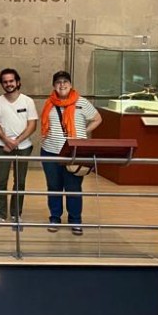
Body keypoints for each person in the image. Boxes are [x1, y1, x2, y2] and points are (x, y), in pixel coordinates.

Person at [40, 71, 102, 235]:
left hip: (74, 152)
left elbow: (97, 118)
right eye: (58, 82)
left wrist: (83, 134)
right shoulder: (49, 104)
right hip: (50, 151)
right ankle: (55, 217)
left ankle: (75, 220)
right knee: (54, 186)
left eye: (65, 81)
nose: (62, 84)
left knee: (73, 187)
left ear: (71, 84)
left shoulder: (82, 102)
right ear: (54, 85)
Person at [0, 68, 38, 224]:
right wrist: (6, 140)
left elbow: (32, 125)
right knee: (1, 181)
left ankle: (16, 213)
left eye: (11, 81)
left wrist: (16, 141)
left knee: (20, 181)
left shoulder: (28, 101)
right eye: (5, 82)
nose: (8, 84)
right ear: (2, 84)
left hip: (23, 147)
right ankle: (0, 215)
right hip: (2, 147)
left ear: (18, 82)